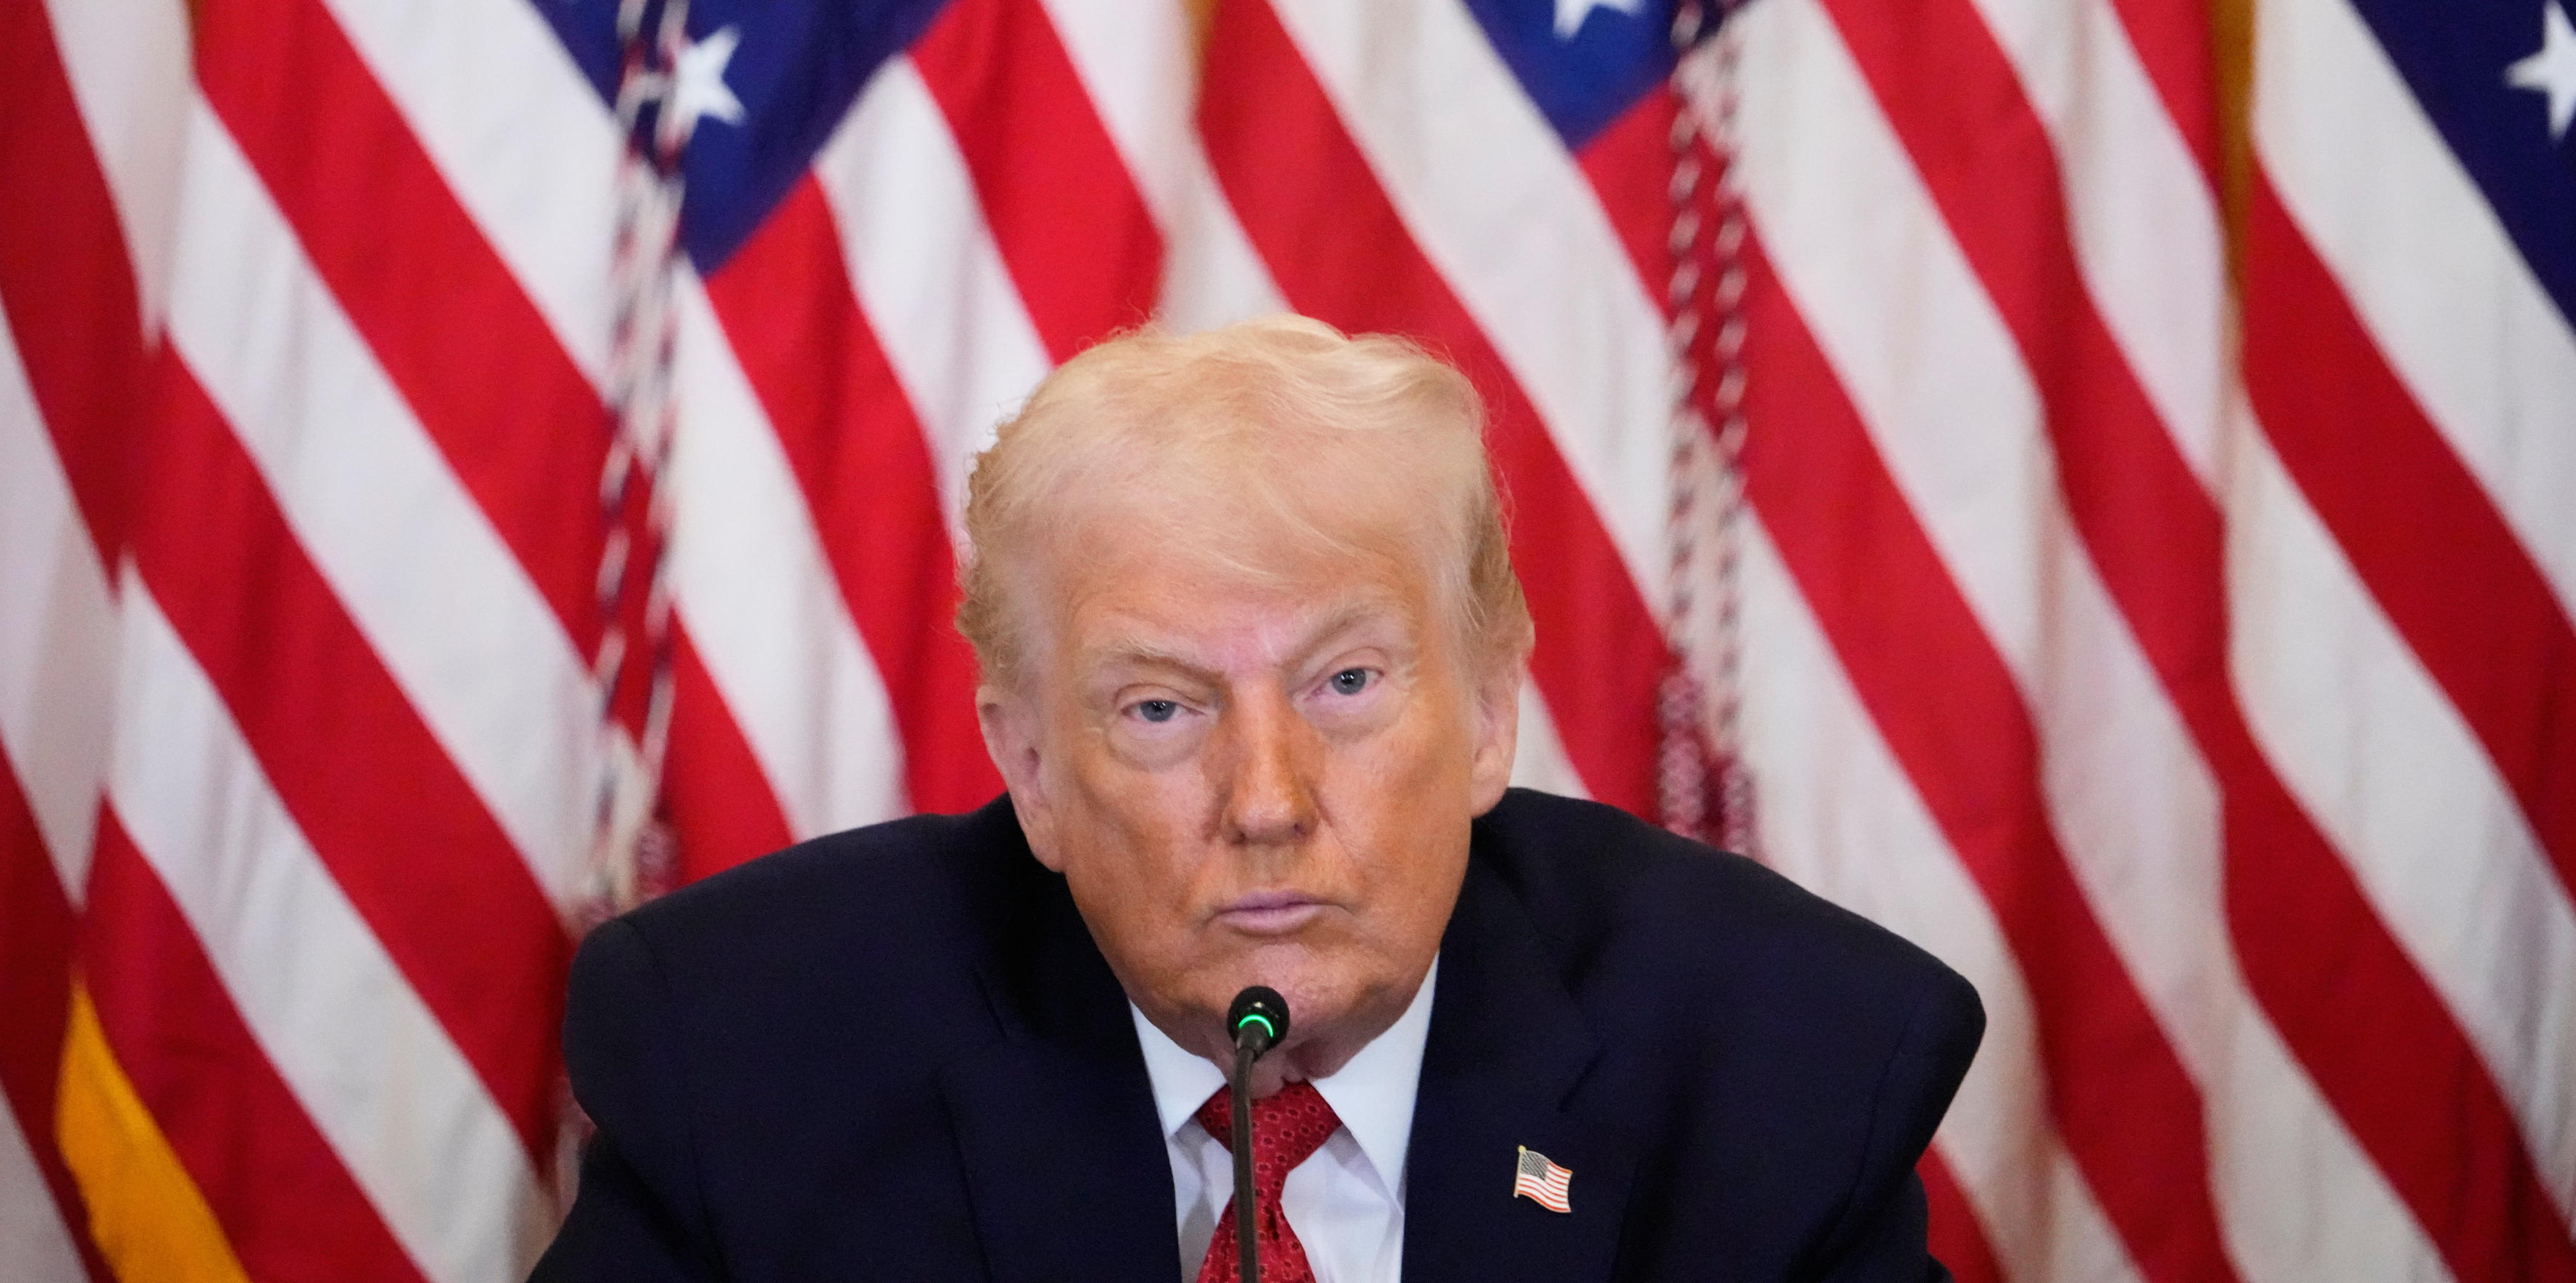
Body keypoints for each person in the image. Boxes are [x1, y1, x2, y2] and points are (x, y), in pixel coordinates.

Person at [533, 318, 1984, 1282]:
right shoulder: (744, 1057)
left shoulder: (1777, 1069)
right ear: (1031, 769)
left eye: (1345, 685)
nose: (1267, 801)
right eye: (1160, 709)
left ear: (1486, 717)